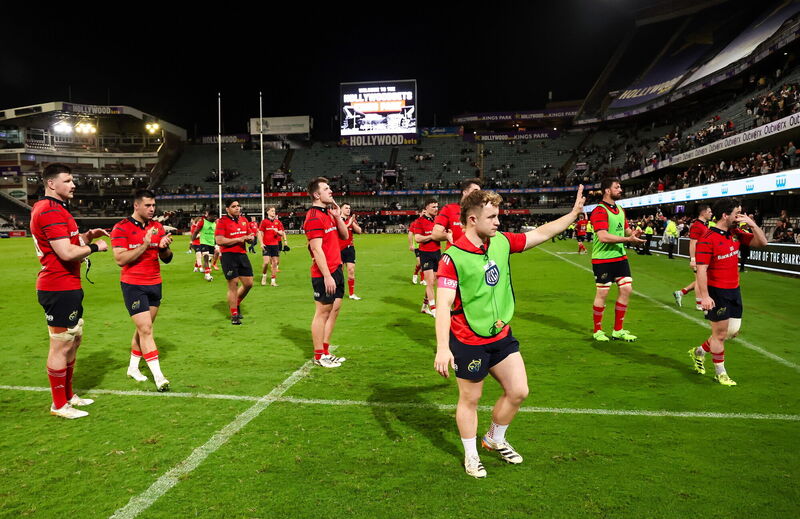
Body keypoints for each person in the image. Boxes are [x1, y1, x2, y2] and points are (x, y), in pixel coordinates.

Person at [434, 186, 586, 478]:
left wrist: (572, 214)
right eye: (491, 217)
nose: (497, 222)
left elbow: (540, 233)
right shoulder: (452, 258)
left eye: (498, 216)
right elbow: (442, 305)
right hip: (469, 341)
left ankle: (494, 437)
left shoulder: (501, 242)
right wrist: (443, 347)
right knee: (470, 400)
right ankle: (471, 455)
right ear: (472, 220)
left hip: (501, 335)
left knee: (518, 391)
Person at [30, 163, 109, 419]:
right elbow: (66, 253)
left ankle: (68, 395)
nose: (73, 184)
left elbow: (69, 243)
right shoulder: (50, 210)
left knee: (74, 340)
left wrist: (85, 237)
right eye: (68, 180)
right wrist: (95, 247)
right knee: (60, 345)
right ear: (51, 184)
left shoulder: (57, 209)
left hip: (68, 285)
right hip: (57, 286)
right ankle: (59, 405)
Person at [689, 198, 767, 386]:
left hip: (734, 290)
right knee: (720, 334)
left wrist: (752, 224)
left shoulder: (736, 232)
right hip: (717, 292)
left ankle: (699, 351)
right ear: (725, 215)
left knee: (731, 332)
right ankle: (720, 373)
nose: (740, 216)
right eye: (737, 213)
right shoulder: (707, 239)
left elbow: (762, 243)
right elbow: (701, 270)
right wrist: (705, 296)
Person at [110, 189, 173, 391]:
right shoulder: (121, 228)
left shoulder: (157, 226)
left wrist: (163, 247)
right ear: (136, 205)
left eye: (153, 205)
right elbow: (120, 259)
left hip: (155, 283)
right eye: (148, 205)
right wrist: (145, 244)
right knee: (146, 329)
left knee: (143, 329)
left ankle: (133, 368)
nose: (152, 209)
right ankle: (159, 377)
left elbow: (168, 258)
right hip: (133, 284)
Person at [590, 177, 645, 343]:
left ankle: (618, 330)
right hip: (603, 258)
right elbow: (603, 236)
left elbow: (626, 229)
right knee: (603, 292)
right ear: (607, 190)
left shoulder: (620, 209)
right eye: (617, 187)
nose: (620, 190)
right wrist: (628, 240)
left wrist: (634, 234)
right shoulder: (599, 210)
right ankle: (598, 330)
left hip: (620, 257)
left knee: (627, 289)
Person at [304, 177, 349, 368]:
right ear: (317, 194)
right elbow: (316, 249)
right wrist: (327, 276)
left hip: (336, 268)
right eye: (326, 188)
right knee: (322, 312)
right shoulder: (314, 217)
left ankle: (326, 351)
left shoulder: (328, 214)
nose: (331, 191)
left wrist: (338, 217)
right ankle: (318, 355)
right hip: (324, 273)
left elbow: (345, 236)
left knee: (334, 310)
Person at [215, 199, 255, 325]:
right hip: (228, 255)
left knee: (249, 283)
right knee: (234, 284)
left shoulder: (244, 220)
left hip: (242, 255)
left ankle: (236, 302)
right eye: (234, 206)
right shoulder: (222, 222)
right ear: (227, 209)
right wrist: (239, 239)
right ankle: (234, 314)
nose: (237, 208)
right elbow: (219, 240)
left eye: (238, 206)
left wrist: (250, 239)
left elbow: (250, 235)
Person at [673, 204, 712, 309]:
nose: (711, 213)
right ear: (703, 213)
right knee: (700, 280)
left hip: (704, 257)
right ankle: (699, 304)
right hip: (699, 257)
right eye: (709, 211)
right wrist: (693, 259)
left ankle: (680, 293)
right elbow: (692, 243)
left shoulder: (704, 225)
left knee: (701, 280)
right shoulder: (696, 225)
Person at [410, 199, 440, 316]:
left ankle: (424, 306)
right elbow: (417, 238)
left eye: (437, 206)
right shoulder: (419, 222)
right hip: (425, 254)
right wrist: (432, 236)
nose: (436, 209)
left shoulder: (438, 221)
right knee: (430, 282)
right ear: (426, 208)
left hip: (437, 253)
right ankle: (433, 308)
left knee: (433, 282)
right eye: (433, 207)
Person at [431, 178, 482, 245]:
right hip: (455, 253)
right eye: (475, 191)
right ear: (465, 192)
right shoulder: (449, 209)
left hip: (475, 253)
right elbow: (435, 234)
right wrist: (447, 236)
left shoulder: (481, 211)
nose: (478, 194)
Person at [339, 203, 363, 300]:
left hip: (349, 248)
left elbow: (359, 231)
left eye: (349, 208)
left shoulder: (351, 220)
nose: (348, 210)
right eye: (346, 208)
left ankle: (352, 294)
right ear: (341, 209)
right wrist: (349, 223)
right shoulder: (337, 219)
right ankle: (338, 292)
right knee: (339, 272)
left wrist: (352, 222)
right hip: (338, 248)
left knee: (351, 270)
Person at [258, 206, 285, 286]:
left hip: (275, 245)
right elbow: (260, 233)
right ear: (267, 212)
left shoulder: (278, 222)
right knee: (266, 263)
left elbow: (282, 233)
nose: (274, 212)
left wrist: (278, 232)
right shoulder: (264, 222)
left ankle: (273, 281)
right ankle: (264, 276)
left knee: (274, 263)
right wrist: (261, 243)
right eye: (272, 211)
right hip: (266, 245)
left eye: (274, 211)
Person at [192, 211, 218, 282]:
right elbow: (196, 231)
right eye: (214, 216)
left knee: (209, 259)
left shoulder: (215, 223)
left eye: (216, 216)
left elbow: (216, 234)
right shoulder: (202, 222)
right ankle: (207, 275)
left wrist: (216, 243)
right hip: (204, 242)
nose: (215, 218)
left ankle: (204, 269)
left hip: (211, 243)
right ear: (209, 216)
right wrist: (192, 241)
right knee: (206, 257)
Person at [408, 214, 422, 284]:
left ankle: (422, 279)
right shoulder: (415, 223)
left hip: (426, 246)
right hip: (417, 246)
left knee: (425, 263)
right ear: (420, 213)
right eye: (423, 212)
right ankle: (415, 274)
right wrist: (411, 245)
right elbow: (410, 234)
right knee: (420, 263)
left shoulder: (430, 221)